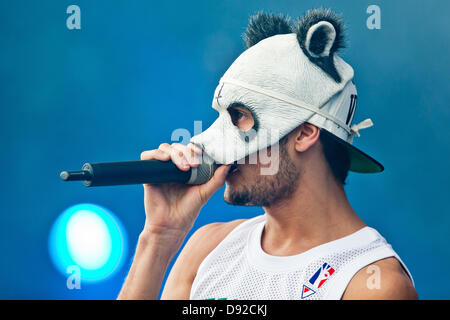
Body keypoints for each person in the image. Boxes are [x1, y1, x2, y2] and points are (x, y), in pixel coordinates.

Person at [118, 8, 417, 300]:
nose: (209, 143)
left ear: (304, 133)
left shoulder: (371, 284)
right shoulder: (209, 248)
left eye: (240, 115)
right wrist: (158, 237)